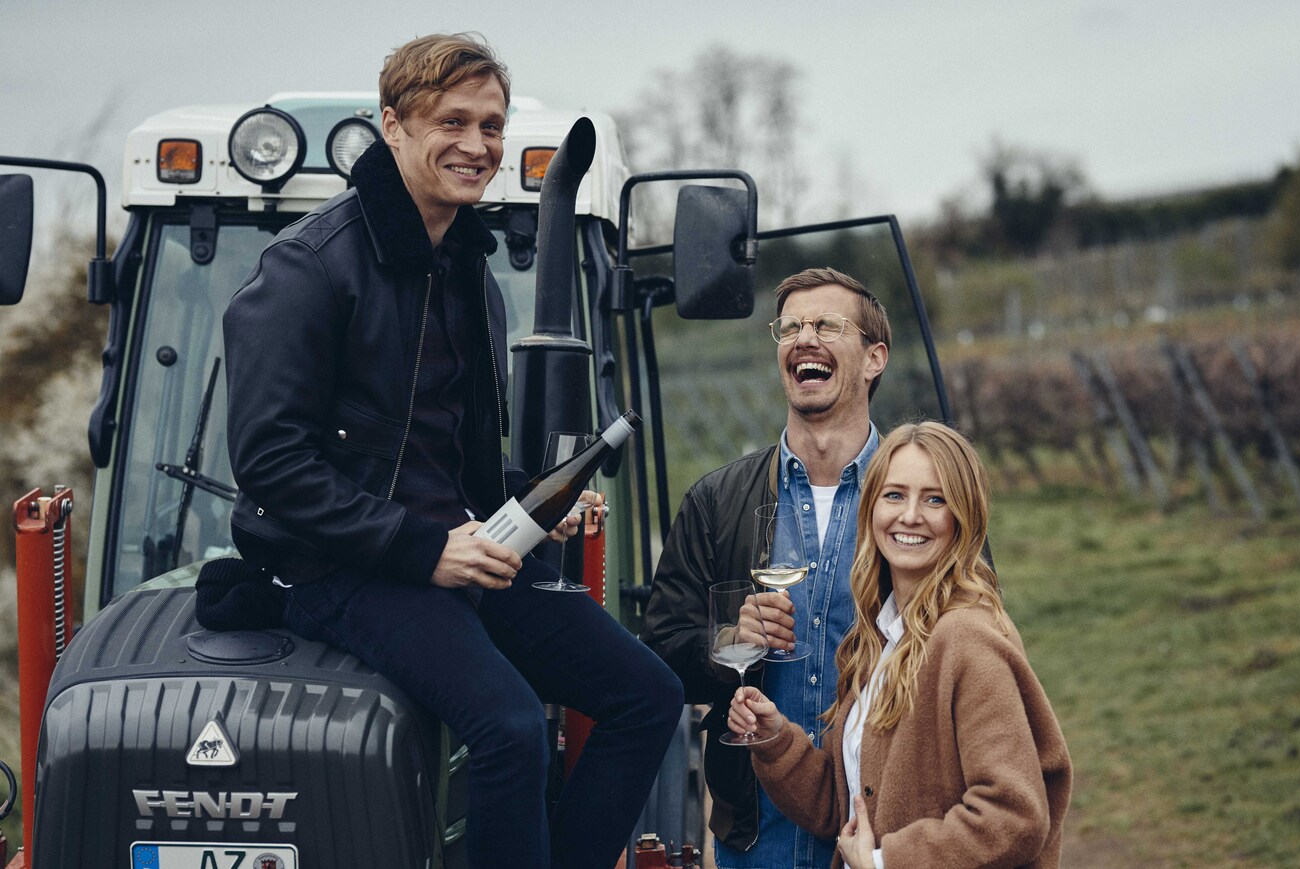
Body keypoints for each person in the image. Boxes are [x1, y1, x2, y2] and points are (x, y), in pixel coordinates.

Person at [222, 33, 682, 869]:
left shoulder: (466, 270)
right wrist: (424, 547)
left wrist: (533, 497)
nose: (477, 146)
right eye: (453, 121)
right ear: (392, 126)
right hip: (338, 565)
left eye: (492, 126)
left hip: (453, 544)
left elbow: (435, 451)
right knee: (507, 726)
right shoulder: (307, 269)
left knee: (648, 693)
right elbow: (272, 464)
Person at [728, 422, 1072, 869]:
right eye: (894, 495)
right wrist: (775, 739)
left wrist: (887, 861)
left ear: (963, 517)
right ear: (871, 510)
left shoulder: (967, 639)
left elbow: (1015, 815)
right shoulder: (880, 637)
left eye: (935, 499)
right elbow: (850, 805)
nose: (910, 515)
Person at [643, 267, 892, 868]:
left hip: (885, 830)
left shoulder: (923, 502)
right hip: (758, 836)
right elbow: (659, 653)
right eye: (790, 327)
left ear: (873, 358)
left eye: (827, 325)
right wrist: (727, 641)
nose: (804, 338)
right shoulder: (715, 501)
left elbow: (973, 643)